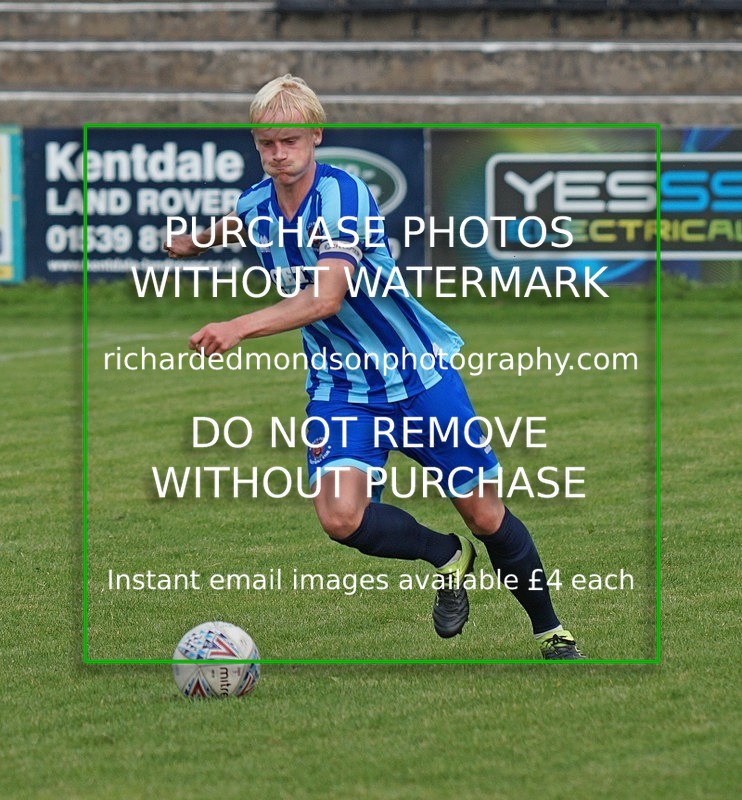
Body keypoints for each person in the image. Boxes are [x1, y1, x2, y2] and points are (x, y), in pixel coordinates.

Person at [164, 74, 585, 659]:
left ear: (315, 136)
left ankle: (550, 629)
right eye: (266, 144)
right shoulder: (259, 200)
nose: (278, 154)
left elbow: (325, 298)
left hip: (417, 377)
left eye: (289, 141)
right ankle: (446, 556)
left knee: (486, 513)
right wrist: (198, 243)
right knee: (341, 518)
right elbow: (242, 221)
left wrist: (238, 326)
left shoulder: (346, 197)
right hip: (341, 389)